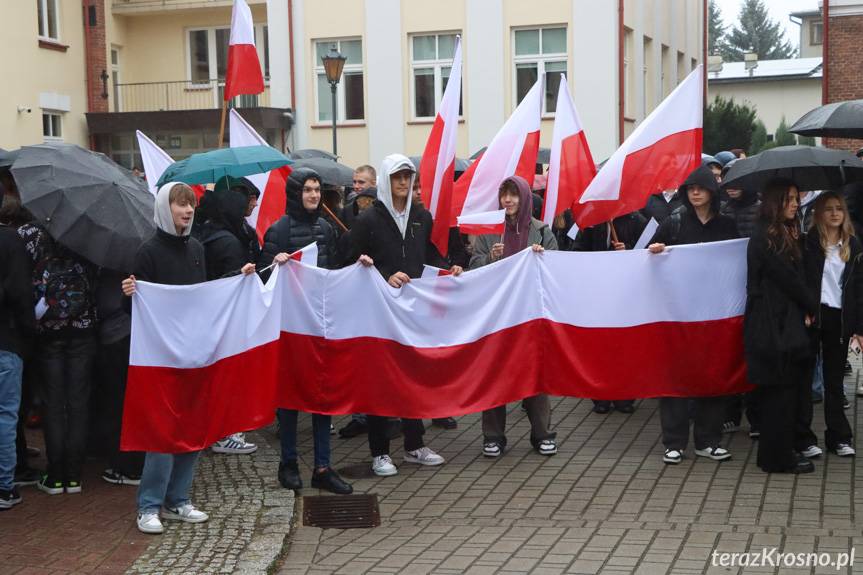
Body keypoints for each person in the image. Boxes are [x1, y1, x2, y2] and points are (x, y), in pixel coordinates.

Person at [121, 182, 256, 534]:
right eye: (180, 204)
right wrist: (129, 294)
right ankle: (149, 505)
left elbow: (204, 295)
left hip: (193, 354)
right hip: (161, 358)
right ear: (166, 208)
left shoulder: (197, 248)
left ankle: (178, 499)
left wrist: (235, 280)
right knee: (162, 434)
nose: (187, 210)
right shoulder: (147, 252)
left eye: (191, 204)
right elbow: (133, 309)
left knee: (191, 430)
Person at [349, 153, 462, 476]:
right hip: (378, 312)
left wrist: (447, 269)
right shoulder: (369, 219)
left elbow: (427, 255)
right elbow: (351, 260)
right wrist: (384, 275)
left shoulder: (421, 217)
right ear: (386, 179)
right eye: (397, 176)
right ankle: (380, 451)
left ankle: (414, 444)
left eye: (407, 177)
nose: (402, 182)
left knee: (413, 376)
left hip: (413, 313)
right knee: (380, 381)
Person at [259, 168, 351, 494]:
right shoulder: (278, 231)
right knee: (289, 400)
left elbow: (336, 270)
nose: (313, 195)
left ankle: (323, 467)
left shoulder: (326, 229)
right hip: (289, 328)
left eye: (316, 190)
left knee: (322, 398)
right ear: (295, 193)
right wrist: (274, 263)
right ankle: (288, 463)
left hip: (320, 326)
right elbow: (262, 279)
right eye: (307, 190)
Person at [647, 165, 739, 465]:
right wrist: (656, 251)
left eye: (699, 187)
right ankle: (674, 442)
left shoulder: (727, 224)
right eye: (689, 189)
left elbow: (737, 261)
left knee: (711, 375)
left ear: (712, 191)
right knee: (675, 377)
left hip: (714, 313)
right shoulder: (674, 222)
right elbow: (649, 257)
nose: (695, 192)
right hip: (678, 313)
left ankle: (708, 440)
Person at [469, 175, 559, 458]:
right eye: (504, 195)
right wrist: (489, 259)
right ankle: (493, 437)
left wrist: (542, 257)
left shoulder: (541, 230)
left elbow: (557, 266)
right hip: (497, 315)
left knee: (535, 374)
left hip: (531, 314)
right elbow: (473, 268)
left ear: (524, 197)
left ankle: (543, 434)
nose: (508, 200)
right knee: (495, 374)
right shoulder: (488, 230)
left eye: (514, 195)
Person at [18, 218, 99, 494]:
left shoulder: (35, 236)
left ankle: (55, 475)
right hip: (83, 331)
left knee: (53, 403)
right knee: (78, 402)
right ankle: (74, 475)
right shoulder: (86, 238)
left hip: (49, 334)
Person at [743, 178, 818, 474]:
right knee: (779, 393)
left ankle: (777, 453)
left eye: (796, 199)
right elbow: (787, 278)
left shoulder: (784, 233)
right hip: (771, 325)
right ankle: (778, 458)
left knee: (785, 392)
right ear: (776, 202)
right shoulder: (765, 237)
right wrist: (811, 305)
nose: (796, 204)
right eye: (789, 199)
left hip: (781, 322)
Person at [197, 184, 260, 456]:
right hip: (227, 317)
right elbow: (233, 282)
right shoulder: (229, 242)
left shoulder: (210, 233)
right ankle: (225, 433)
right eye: (247, 201)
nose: (253, 206)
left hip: (210, 316)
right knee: (227, 374)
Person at [572, 211, 647, 414]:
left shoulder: (636, 220)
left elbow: (648, 251)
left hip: (626, 294)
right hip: (597, 293)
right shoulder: (590, 223)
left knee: (624, 346)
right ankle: (600, 396)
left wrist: (629, 251)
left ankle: (624, 395)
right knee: (599, 346)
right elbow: (577, 252)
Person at [803, 192, 859, 457]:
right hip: (814, 316)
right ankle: (804, 437)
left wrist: (858, 326)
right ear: (819, 214)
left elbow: (858, 288)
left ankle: (839, 437)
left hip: (839, 317)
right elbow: (802, 281)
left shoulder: (853, 245)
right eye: (828, 209)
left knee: (834, 380)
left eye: (839, 209)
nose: (835, 213)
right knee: (805, 379)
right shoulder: (809, 243)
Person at [96, 268, 145, 485]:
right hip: (140, 337)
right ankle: (135, 461)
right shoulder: (145, 259)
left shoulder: (108, 270)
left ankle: (124, 464)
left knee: (117, 401)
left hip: (116, 337)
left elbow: (105, 305)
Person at [0, 215, 36, 509]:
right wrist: (28, 333)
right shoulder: (11, 241)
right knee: (5, 415)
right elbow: (22, 294)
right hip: (6, 339)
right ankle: (3, 486)